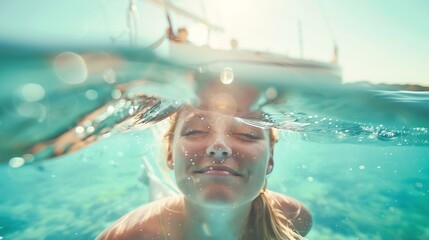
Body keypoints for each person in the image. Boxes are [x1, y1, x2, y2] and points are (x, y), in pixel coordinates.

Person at [97, 81, 312, 239]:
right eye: (195, 131)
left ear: (270, 158)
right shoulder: (126, 236)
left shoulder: (295, 218)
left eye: (247, 134)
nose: (219, 147)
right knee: (158, 196)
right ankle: (152, 178)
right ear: (170, 154)